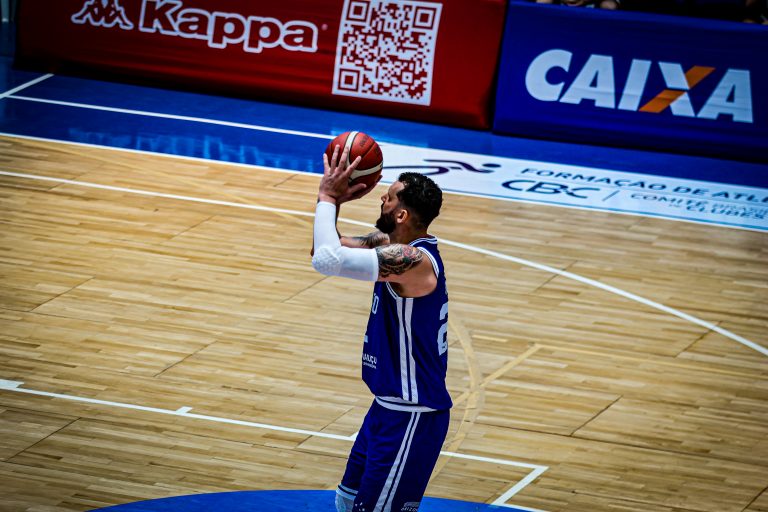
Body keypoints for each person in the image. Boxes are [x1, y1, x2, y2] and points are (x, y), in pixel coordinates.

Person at [311, 144, 452, 512]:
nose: (381, 200)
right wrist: (333, 204)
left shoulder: (412, 259)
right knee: (346, 502)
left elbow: (327, 261)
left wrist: (328, 196)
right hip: (385, 408)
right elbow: (323, 250)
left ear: (401, 213)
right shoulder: (388, 244)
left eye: (387, 198)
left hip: (412, 415)